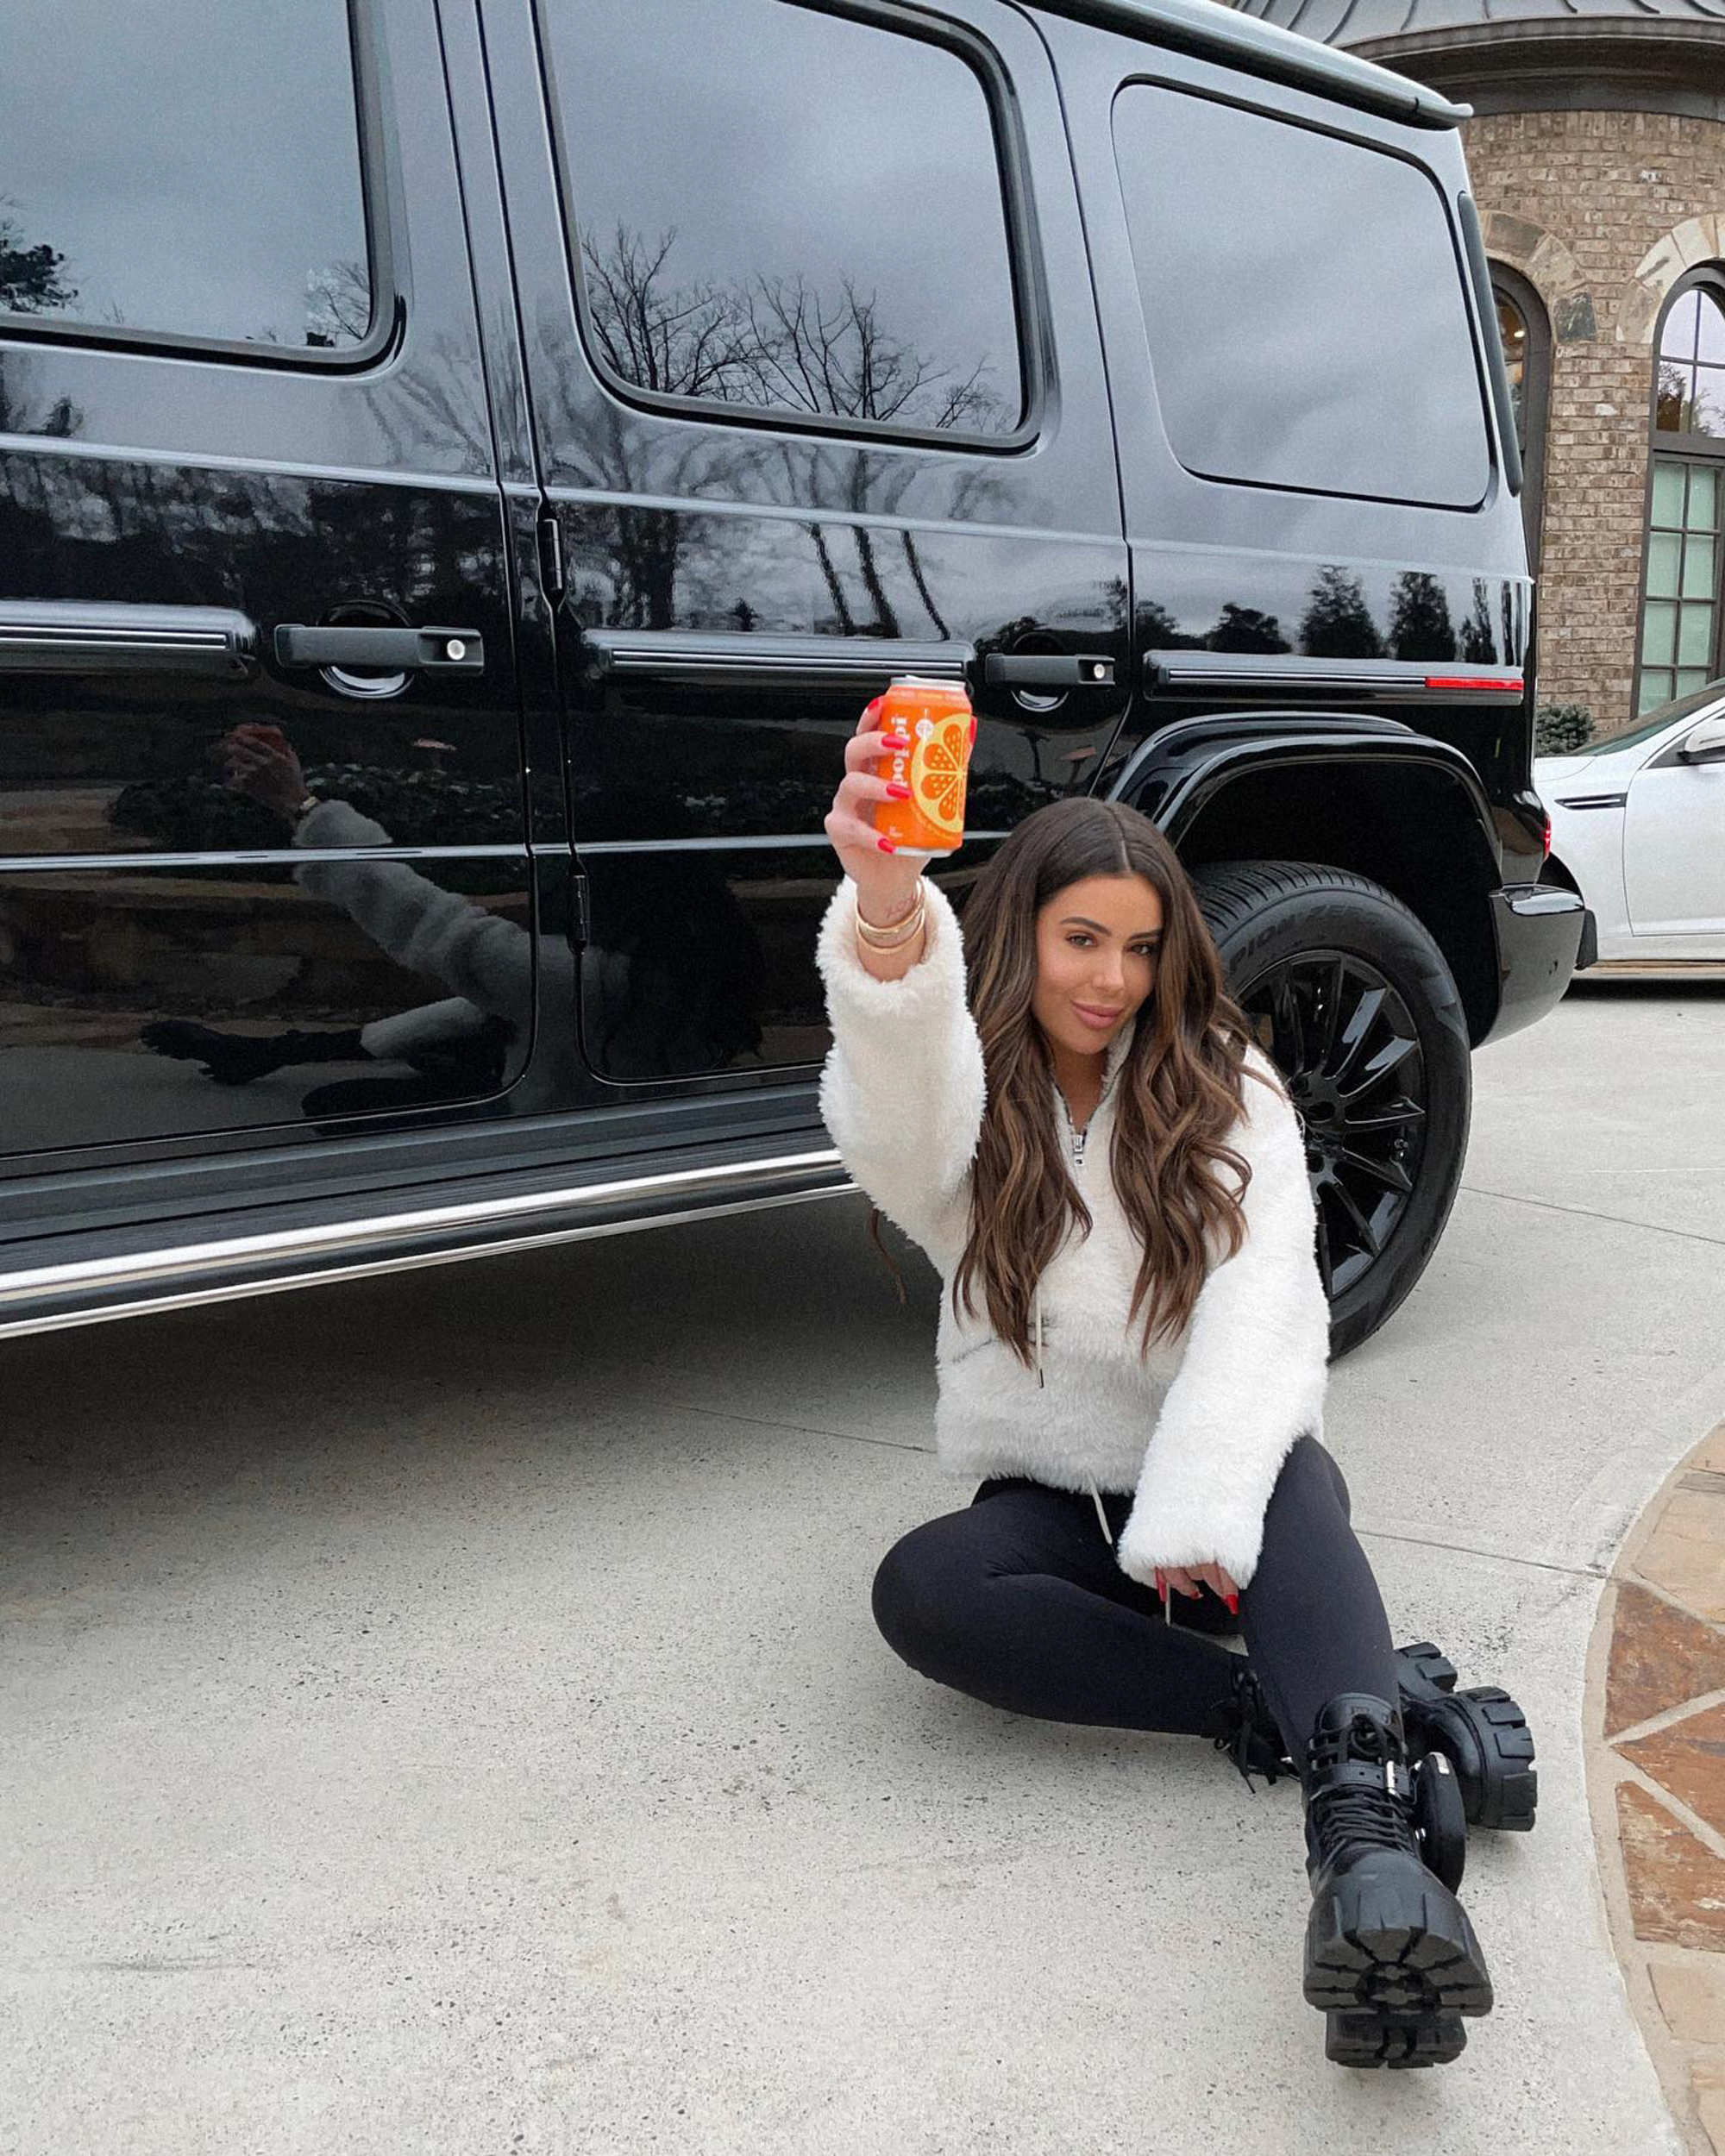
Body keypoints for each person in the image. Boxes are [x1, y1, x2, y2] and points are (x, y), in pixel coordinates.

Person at [817, 701, 1537, 2071]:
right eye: (1082, 939)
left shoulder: (1227, 1086)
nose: (1112, 979)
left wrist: (1202, 1508)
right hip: (1058, 1498)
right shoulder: (969, 1109)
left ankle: (1366, 1859)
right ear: (1023, 933)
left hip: (1227, 1479)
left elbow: (1269, 1302)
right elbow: (899, 1108)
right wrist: (887, 905)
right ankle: (1297, 1715)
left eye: (1141, 948)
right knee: (924, 1588)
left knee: (1294, 1478)